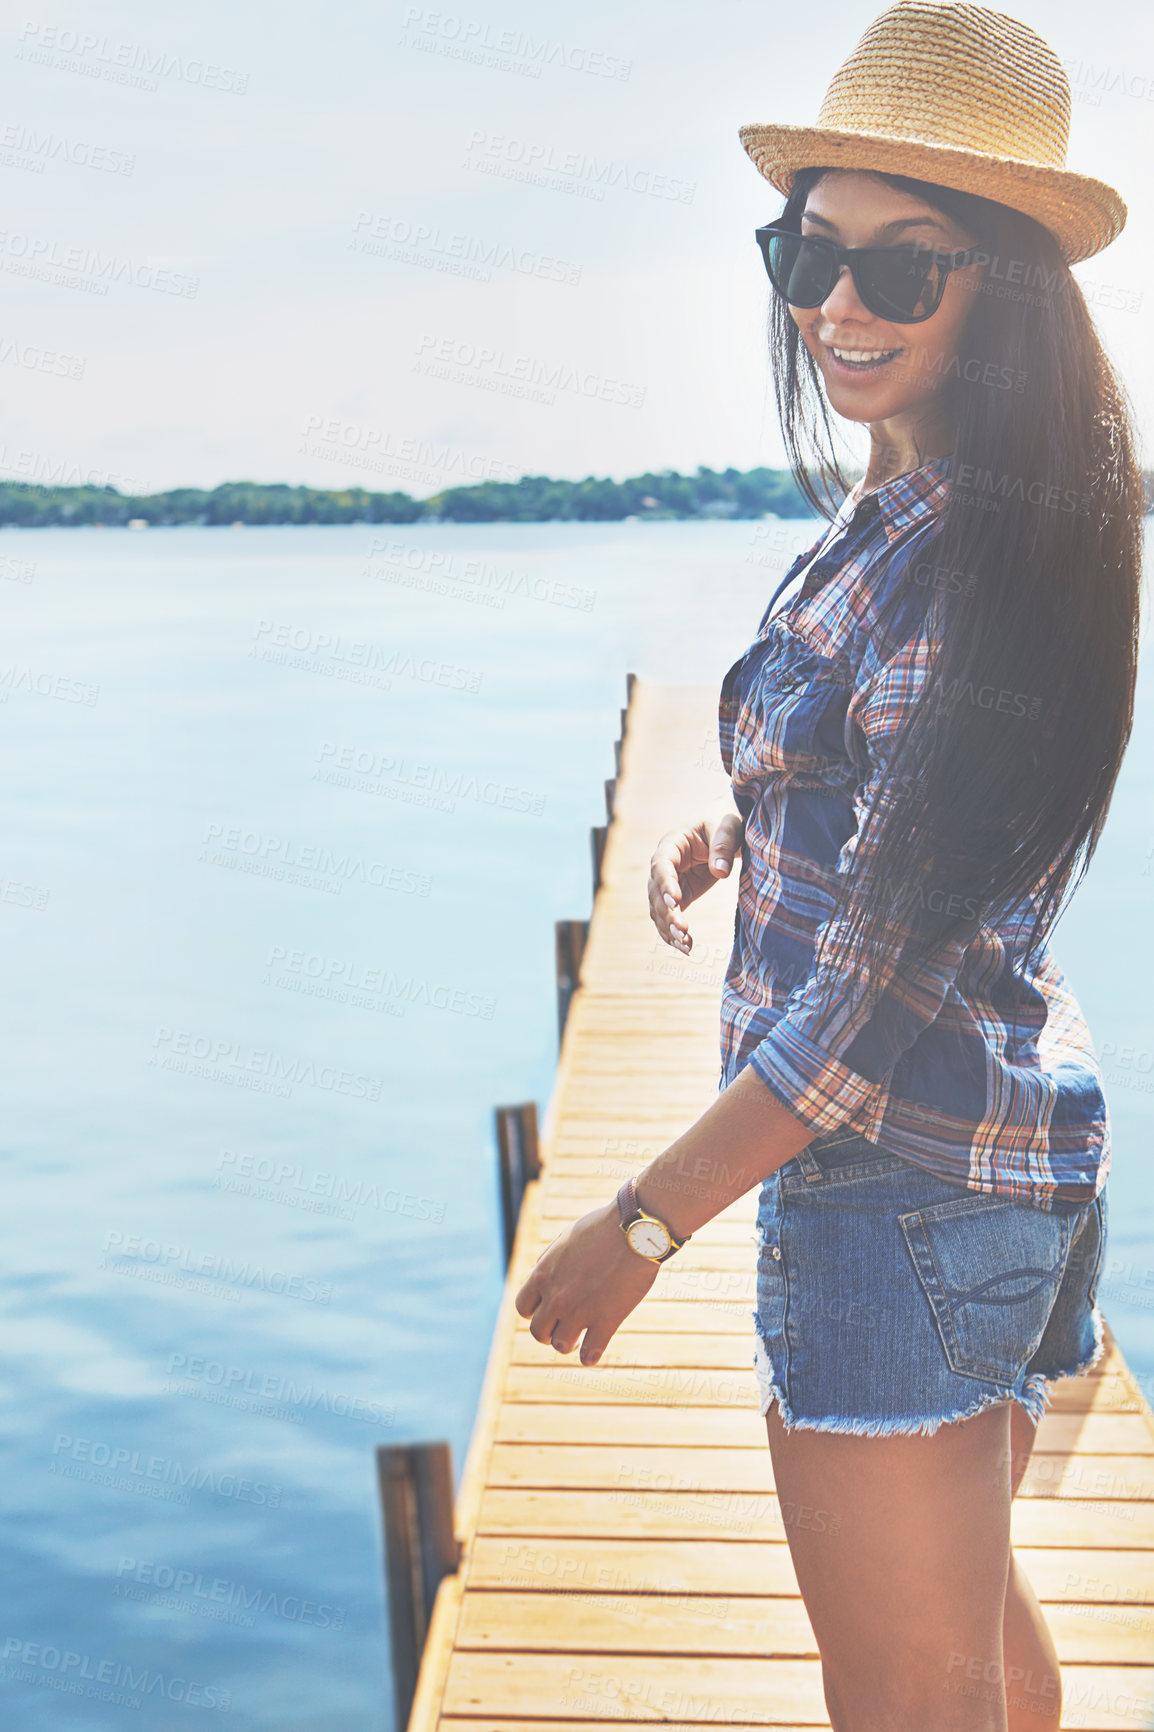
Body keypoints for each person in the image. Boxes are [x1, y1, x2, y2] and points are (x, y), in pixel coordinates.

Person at [514, 3, 1144, 1727]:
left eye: (900, 270)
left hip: (900, 1195)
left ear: (998, 294)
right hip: (1007, 1158)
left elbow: (868, 1003)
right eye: (807, 252)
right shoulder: (945, 514)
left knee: (900, 1691)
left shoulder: (960, 569)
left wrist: (642, 1223)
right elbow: (923, 812)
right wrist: (749, 818)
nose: (834, 305)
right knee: (976, 1647)